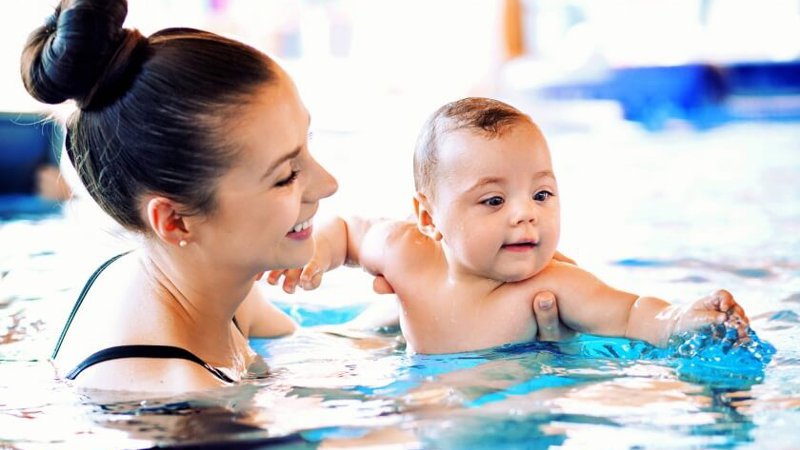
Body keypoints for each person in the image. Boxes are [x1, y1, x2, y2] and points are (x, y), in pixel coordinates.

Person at [21, 1, 569, 391]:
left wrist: (452, 311)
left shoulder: (201, 286)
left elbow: (314, 347)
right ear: (175, 222)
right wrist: (489, 378)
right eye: (286, 175)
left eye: (307, 145)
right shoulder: (168, 393)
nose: (327, 183)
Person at [268, 97, 750, 354]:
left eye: (541, 194)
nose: (526, 214)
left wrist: (683, 319)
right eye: (494, 200)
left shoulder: (552, 285)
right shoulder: (407, 254)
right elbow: (350, 230)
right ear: (429, 216)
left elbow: (630, 313)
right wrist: (320, 253)